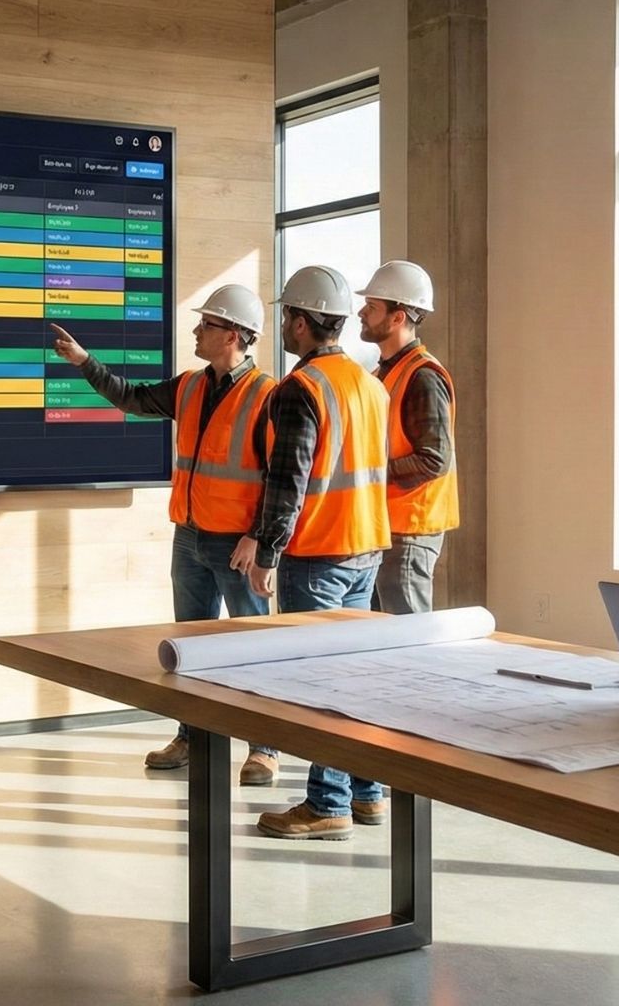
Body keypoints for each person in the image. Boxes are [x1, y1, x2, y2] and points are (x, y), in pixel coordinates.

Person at [50, 284, 285, 786]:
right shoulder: (191, 386)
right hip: (191, 536)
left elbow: (280, 476)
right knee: (189, 647)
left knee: (252, 645)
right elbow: (132, 398)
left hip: (237, 545)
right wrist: (84, 361)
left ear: (237, 336)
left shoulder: (267, 396)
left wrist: (259, 540)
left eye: (208, 325)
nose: (197, 331)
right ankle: (193, 735)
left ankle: (265, 746)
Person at [248, 266, 393, 841]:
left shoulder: (301, 389)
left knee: (319, 682)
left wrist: (266, 552)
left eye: (287, 316)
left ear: (303, 322)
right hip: (366, 544)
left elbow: (290, 481)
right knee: (352, 675)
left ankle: (327, 802)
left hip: (319, 551)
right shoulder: (370, 384)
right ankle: (367, 791)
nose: (283, 325)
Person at [356, 261, 459, 616]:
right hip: (388, 526)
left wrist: (370, 474)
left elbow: (434, 459)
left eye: (371, 307)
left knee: (410, 643)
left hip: (410, 530)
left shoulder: (422, 377)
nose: (361, 312)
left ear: (398, 318)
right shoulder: (385, 373)